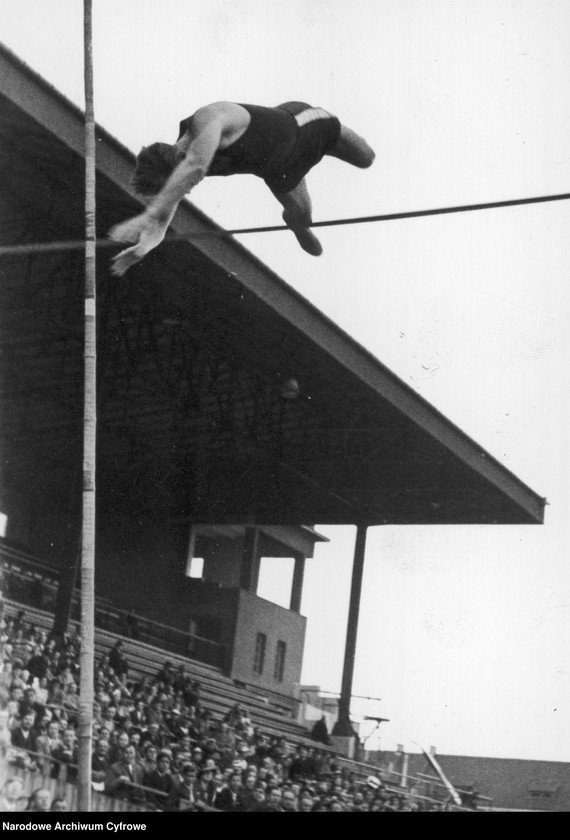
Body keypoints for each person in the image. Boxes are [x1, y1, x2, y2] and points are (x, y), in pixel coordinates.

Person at [109, 100, 375, 274]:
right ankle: (297, 224)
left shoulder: (210, 119)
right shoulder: (184, 168)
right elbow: (164, 217)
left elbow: (196, 167)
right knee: (303, 217)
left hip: (306, 128)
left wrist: (149, 212)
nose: (187, 190)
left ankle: (329, 148)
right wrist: (145, 246)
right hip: (280, 172)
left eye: (183, 186)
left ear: (179, 160)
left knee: (366, 158)